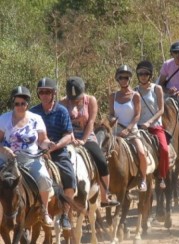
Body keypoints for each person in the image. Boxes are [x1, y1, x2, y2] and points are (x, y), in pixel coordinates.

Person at [0, 86, 54, 227]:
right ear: (13, 103)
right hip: (6, 158)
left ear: (27, 104)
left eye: (22, 103)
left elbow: (42, 140)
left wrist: (48, 144)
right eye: (17, 103)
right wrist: (4, 149)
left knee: (43, 177)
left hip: (30, 158)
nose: (19, 106)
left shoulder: (36, 119)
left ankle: (45, 211)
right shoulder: (4, 119)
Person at [61, 77, 119, 206]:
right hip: (67, 136)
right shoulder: (63, 103)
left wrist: (83, 140)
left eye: (78, 98)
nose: (75, 100)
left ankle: (104, 197)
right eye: (73, 98)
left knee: (102, 162)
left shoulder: (91, 100)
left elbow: (91, 122)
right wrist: (71, 138)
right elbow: (64, 124)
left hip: (87, 135)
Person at [30, 77, 76, 230]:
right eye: (41, 92)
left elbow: (69, 135)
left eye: (47, 92)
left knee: (70, 177)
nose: (44, 95)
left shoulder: (62, 111)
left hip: (58, 152)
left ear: (53, 93)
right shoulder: (32, 112)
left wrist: (54, 147)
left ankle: (65, 214)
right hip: (37, 153)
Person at [110, 65, 149, 192]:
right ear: (118, 79)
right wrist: (111, 121)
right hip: (116, 132)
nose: (124, 80)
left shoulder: (135, 95)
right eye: (121, 77)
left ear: (129, 79)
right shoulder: (113, 96)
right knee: (104, 152)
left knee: (141, 153)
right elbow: (111, 113)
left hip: (131, 132)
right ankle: (104, 183)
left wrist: (128, 129)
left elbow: (137, 114)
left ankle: (143, 179)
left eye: (126, 77)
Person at [134, 60, 169, 189]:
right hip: (138, 127)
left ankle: (162, 175)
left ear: (150, 75)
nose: (143, 76)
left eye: (145, 73)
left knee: (164, 149)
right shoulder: (134, 91)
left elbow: (161, 110)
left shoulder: (157, 88)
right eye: (140, 73)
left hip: (154, 126)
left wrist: (149, 122)